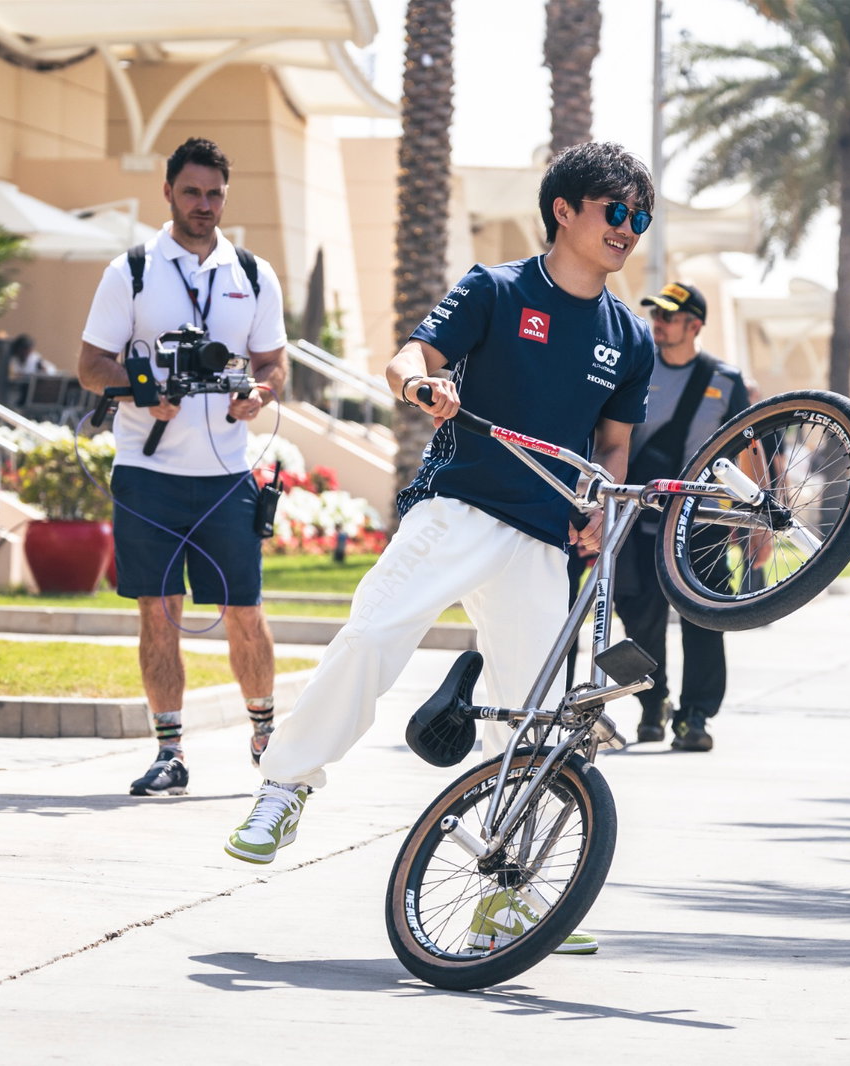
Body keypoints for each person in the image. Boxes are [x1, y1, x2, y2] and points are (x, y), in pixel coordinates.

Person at [222, 142, 657, 957]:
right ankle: (284, 786)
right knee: (374, 632)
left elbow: (615, 446)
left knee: (532, 715)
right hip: (457, 508)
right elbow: (407, 357)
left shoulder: (628, 338)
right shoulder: (495, 290)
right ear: (564, 211)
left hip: (543, 539)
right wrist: (422, 383)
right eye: (616, 213)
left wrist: (604, 506)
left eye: (640, 218)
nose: (629, 230)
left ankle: (512, 892)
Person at [77, 137, 288, 796]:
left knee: (244, 613)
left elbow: (273, 362)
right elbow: (91, 365)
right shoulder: (131, 271)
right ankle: (170, 751)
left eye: (215, 193)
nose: (205, 204)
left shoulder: (251, 273)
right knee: (157, 614)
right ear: (167, 192)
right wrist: (142, 390)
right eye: (192, 192)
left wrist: (258, 393)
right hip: (147, 474)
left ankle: (266, 739)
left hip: (227, 474)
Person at [615, 281, 750, 752]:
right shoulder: (636, 368)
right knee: (636, 619)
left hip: (706, 522)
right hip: (640, 519)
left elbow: (747, 452)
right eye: (656, 314)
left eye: (669, 316)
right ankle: (652, 705)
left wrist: (755, 518)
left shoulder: (726, 381)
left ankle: (695, 717)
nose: (658, 322)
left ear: (695, 325)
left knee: (705, 622)